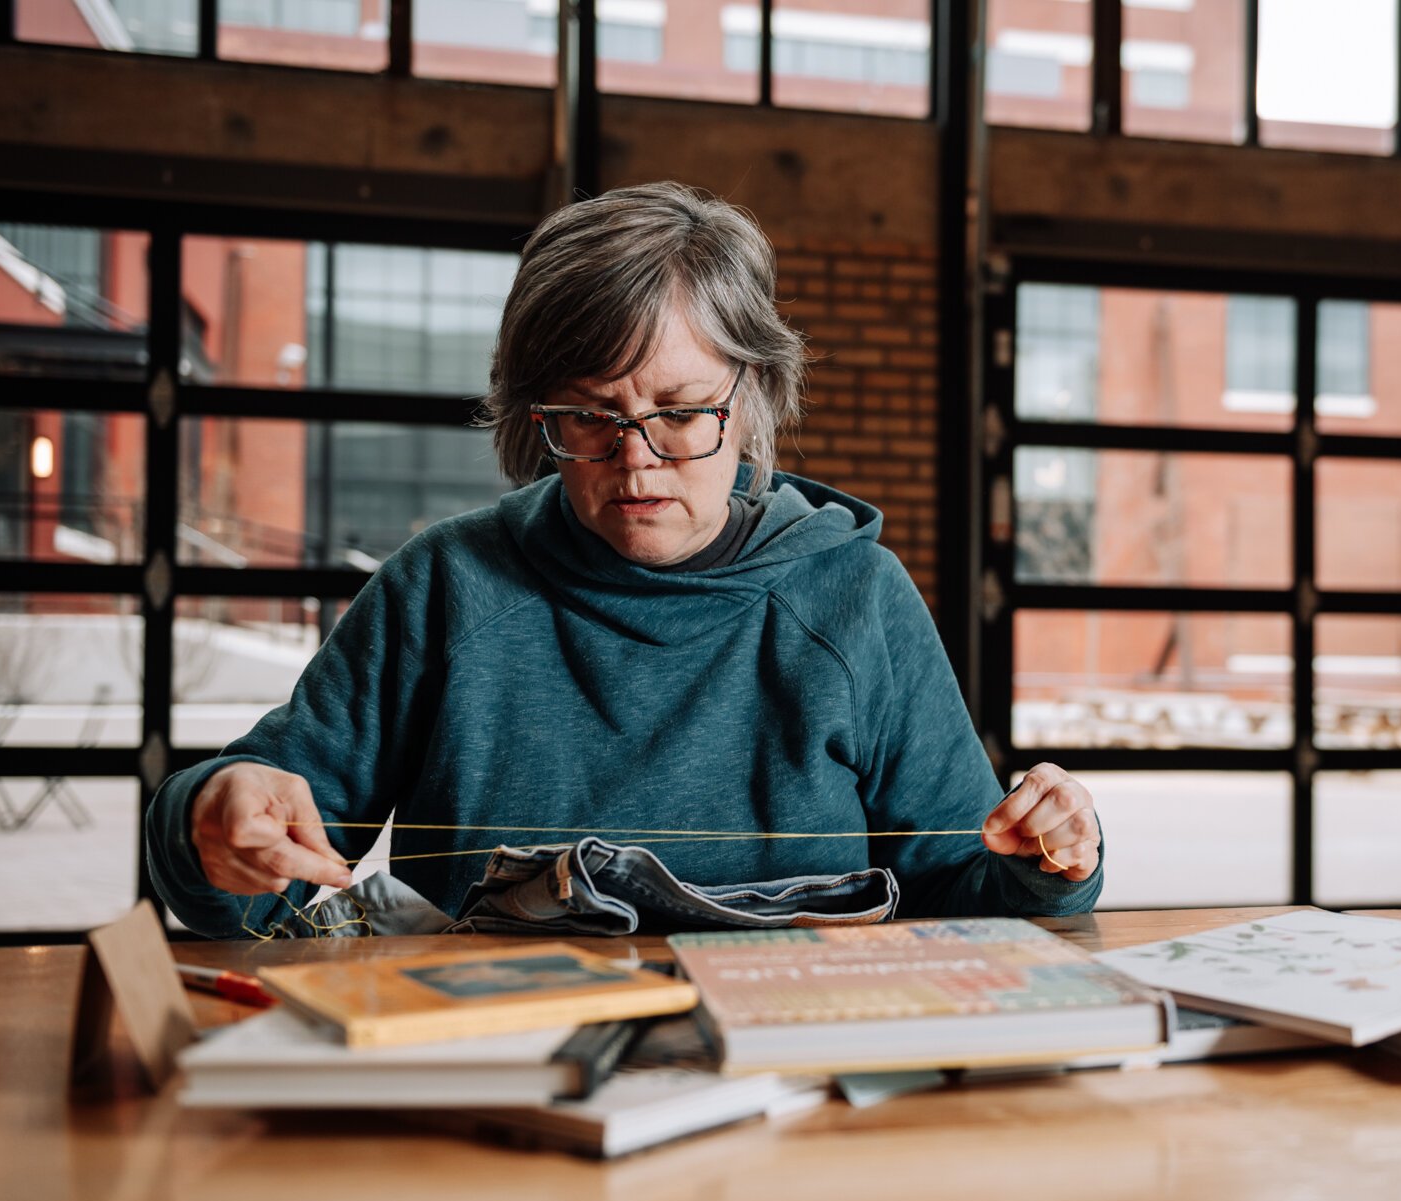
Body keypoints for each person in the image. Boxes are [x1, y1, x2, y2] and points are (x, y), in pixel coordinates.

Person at [146, 182, 1104, 939]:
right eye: (587, 419)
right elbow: (254, 886)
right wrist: (206, 822)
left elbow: (967, 900)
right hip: (500, 1074)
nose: (634, 460)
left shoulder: (856, 598)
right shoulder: (445, 589)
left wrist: (1049, 859)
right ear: (538, 416)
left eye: (680, 412)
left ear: (755, 395)